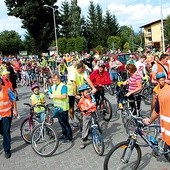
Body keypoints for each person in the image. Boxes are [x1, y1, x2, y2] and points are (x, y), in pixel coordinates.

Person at [48, 73, 72, 144]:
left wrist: (53, 96)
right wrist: (49, 93)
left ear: (59, 79)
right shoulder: (53, 86)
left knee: (65, 123)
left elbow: (64, 96)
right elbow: (50, 91)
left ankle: (69, 137)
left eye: (56, 80)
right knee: (61, 122)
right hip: (57, 107)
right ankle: (64, 134)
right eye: (53, 80)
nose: (54, 82)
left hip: (63, 108)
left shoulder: (63, 86)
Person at [0, 77, 18, 159]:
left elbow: (13, 99)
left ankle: (7, 150)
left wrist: (15, 110)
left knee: (6, 131)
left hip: (7, 114)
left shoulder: (6, 89)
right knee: (3, 132)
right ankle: (6, 138)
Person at [77, 84, 96, 149]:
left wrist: (93, 100)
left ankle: (97, 131)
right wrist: (91, 106)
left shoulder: (90, 97)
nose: (88, 93)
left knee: (95, 123)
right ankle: (84, 140)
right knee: (85, 127)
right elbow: (83, 109)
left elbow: (94, 102)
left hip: (93, 112)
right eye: (86, 92)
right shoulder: (81, 101)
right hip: (86, 115)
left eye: (88, 92)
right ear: (82, 93)